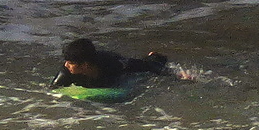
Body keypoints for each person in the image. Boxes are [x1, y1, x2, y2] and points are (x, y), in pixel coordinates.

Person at [53, 36, 184, 89]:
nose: (66, 65)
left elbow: (148, 67)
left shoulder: (113, 64)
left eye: (70, 63)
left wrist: (177, 76)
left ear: (85, 65)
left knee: (145, 65)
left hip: (113, 65)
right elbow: (52, 92)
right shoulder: (66, 73)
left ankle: (154, 55)